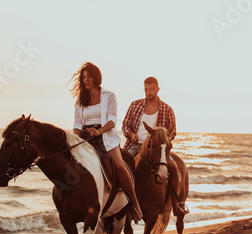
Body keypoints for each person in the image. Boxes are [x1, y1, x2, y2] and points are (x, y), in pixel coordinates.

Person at [70, 62, 143, 223]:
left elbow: (111, 120)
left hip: (106, 137)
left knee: (119, 165)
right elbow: (77, 125)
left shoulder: (109, 96)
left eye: (89, 76)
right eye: (83, 77)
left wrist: (99, 131)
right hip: (85, 138)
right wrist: (74, 141)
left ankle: (135, 205)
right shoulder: (80, 101)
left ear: (96, 77)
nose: (86, 80)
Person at [122, 77, 189, 216]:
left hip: (158, 149)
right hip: (136, 145)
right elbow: (125, 125)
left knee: (173, 167)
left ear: (158, 89)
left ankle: (177, 205)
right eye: (146, 89)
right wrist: (131, 134)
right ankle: (119, 203)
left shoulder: (167, 109)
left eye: (151, 89)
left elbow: (173, 131)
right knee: (121, 166)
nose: (148, 92)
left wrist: (162, 141)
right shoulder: (135, 105)